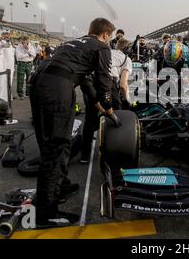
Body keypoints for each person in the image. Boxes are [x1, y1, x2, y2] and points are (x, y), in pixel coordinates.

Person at [30, 18, 120, 228]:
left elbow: (86, 81)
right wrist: (108, 106)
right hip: (57, 86)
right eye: (110, 36)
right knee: (57, 146)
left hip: (38, 82)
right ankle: (46, 214)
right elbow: (103, 80)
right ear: (106, 34)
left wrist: (98, 105)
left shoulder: (74, 44)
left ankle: (59, 187)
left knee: (49, 141)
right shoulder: (101, 47)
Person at [80, 38, 133, 165]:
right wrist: (127, 101)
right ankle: (115, 152)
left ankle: (84, 155)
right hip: (108, 84)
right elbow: (123, 85)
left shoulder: (106, 52)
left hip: (91, 82)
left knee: (90, 118)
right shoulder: (127, 59)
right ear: (128, 49)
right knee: (118, 117)